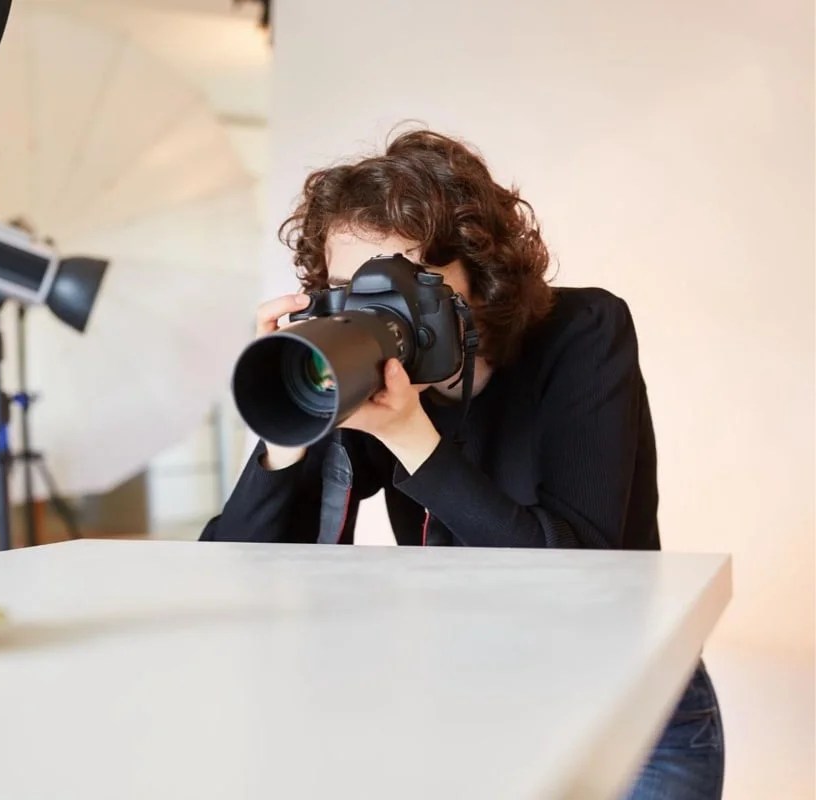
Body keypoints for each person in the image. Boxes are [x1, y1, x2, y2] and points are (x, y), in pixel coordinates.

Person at [201, 128, 724, 799]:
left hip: (631, 710)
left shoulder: (584, 333)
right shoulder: (360, 373)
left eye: (398, 288)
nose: (373, 315)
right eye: (348, 289)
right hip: (476, 705)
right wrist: (289, 420)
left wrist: (411, 434)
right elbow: (232, 576)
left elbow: (582, 577)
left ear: (480, 276)